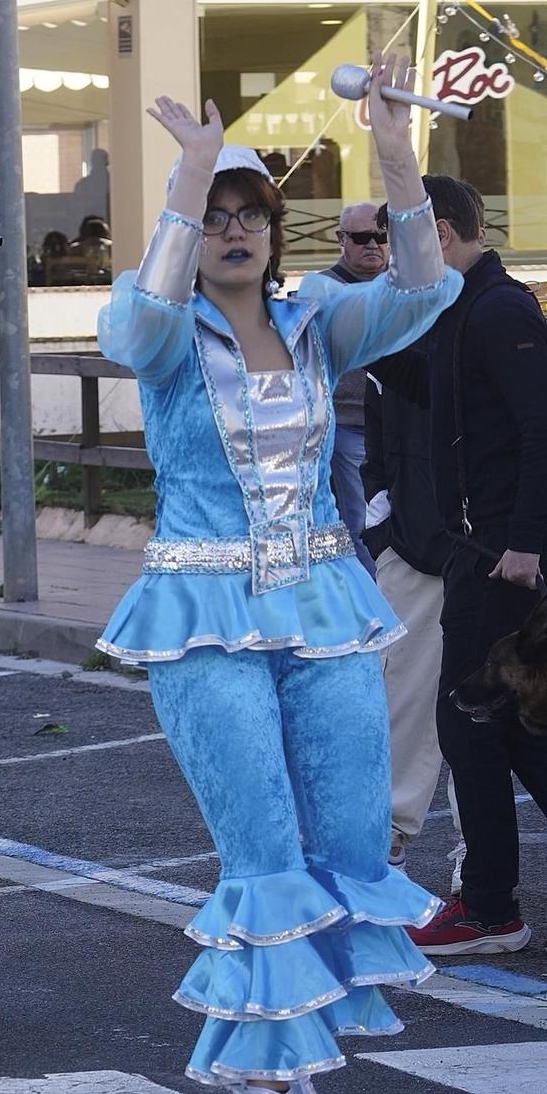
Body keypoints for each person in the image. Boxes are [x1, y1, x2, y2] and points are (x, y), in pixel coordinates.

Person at [98, 67, 457, 1090]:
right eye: (215, 217)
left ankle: (297, 1050)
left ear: (274, 229)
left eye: (248, 213)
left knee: (347, 845)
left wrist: (392, 156)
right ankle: (266, 1073)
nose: (232, 230)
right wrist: (187, 179)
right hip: (201, 617)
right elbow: (129, 329)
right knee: (261, 853)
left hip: (319, 607)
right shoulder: (163, 330)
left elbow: (425, 289)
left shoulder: (318, 321)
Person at [411, 171, 547, 957]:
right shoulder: (462, 309)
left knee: (469, 721)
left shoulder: (499, 310)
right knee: (514, 727)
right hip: (482, 550)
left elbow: (542, 429)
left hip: (501, 556)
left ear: (444, 234)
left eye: (407, 237)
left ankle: (490, 907)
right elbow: (434, 396)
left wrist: (526, 543)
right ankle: (492, 900)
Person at [359, 329, 448, 866]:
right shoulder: (388, 328)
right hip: (409, 544)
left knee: (484, 710)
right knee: (399, 698)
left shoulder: (494, 317)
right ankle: (384, 844)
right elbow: (375, 441)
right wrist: (382, 524)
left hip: (488, 548)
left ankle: (478, 858)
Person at [300, 202, 391, 576]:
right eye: (360, 237)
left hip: (405, 421)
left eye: (381, 236)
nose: (372, 245)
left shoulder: (403, 286)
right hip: (347, 422)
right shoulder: (319, 290)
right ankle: (372, 597)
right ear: (342, 239)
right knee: (361, 515)